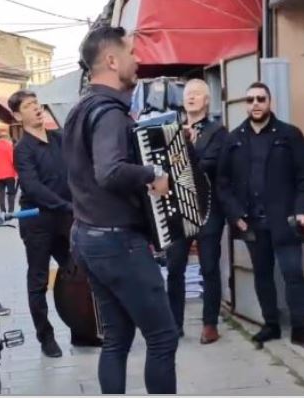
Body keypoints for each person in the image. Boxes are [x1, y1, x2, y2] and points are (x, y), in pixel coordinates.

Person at [63, 27, 178, 393]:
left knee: (116, 340)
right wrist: (153, 174)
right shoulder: (109, 112)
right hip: (118, 244)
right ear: (112, 61)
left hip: (90, 238)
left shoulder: (80, 109)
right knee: (163, 338)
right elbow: (109, 171)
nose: (138, 59)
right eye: (132, 52)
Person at [217, 81, 304, 347]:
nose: (255, 104)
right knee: (262, 275)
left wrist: (301, 210)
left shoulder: (289, 135)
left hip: (286, 221)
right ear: (245, 104)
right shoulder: (234, 139)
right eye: (250, 99)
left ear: (269, 103)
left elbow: (303, 177)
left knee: (293, 275)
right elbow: (222, 183)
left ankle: (300, 327)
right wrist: (235, 215)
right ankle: (271, 325)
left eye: (260, 99)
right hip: (252, 222)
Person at [10, 89, 74, 358]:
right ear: (17, 115)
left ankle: (81, 329)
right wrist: (65, 205)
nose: (36, 108)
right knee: (38, 280)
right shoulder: (22, 150)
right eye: (28, 105)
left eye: (37, 104)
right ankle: (45, 337)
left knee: (76, 272)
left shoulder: (59, 139)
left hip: (65, 218)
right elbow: (33, 187)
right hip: (37, 222)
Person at [165, 79, 227, 343]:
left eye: (197, 94)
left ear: (207, 100)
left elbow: (206, 167)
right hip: (180, 209)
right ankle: (174, 324)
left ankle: (210, 325)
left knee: (209, 267)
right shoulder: (171, 129)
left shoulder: (217, 132)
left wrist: (186, 145)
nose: (191, 98)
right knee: (175, 267)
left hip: (208, 209)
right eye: (188, 94)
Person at [0, 133, 17, 213]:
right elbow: (13, 160)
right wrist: (17, 172)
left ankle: (2, 211)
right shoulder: (9, 146)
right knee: (11, 193)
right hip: (9, 174)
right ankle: (11, 211)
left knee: (1, 194)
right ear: (7, 138)